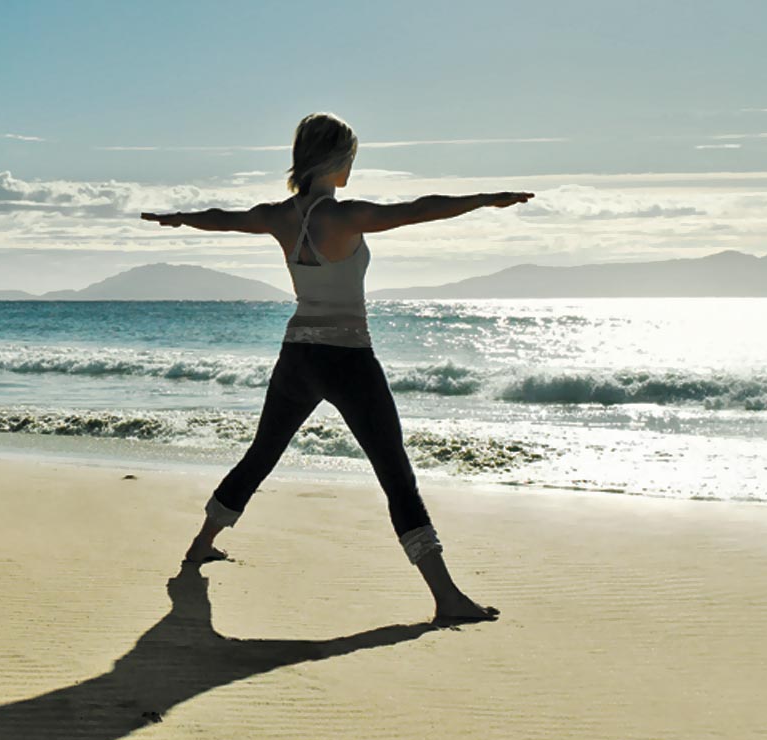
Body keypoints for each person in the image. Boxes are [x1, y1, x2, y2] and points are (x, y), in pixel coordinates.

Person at [141, 112, 528, 625]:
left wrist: (183, 219)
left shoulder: (279, 215)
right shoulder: (343, 217)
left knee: (263, 452)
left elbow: (225, 216)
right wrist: (481, 200)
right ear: (335, 159)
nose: (353, 165)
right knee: (395, 473)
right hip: (348, 358)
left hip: (297, 354)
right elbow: (417, 209)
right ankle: (446, 598)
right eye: (350, 156)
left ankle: (200, 545)